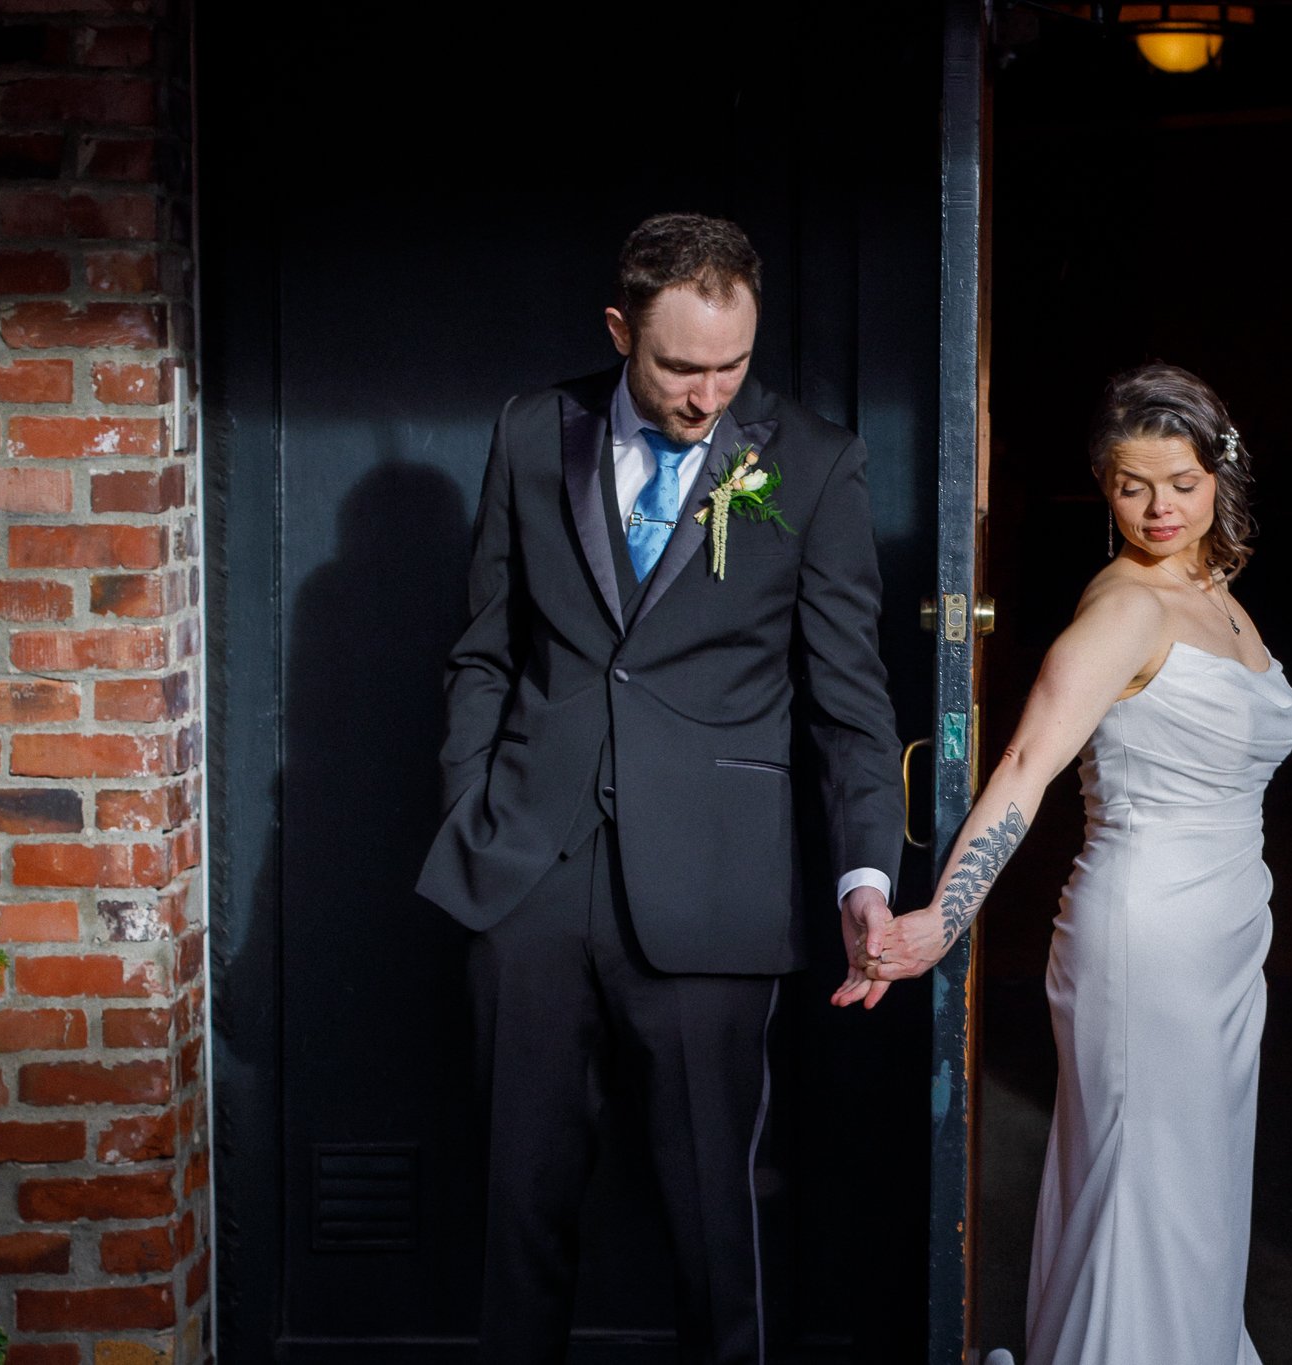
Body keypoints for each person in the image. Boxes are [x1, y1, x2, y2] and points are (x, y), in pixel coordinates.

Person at [416, 213, 905, 1365]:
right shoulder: (534, 431)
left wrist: (865, 870)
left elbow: (848, 694)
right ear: (618, 329)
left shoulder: (813, 459)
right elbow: (484, 648)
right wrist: (469, 804)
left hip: (714, 888)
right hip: (527, 872)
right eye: (680, 366)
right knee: (519, 1213)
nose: (706, 395)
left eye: (730, 366)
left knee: (712, 1227)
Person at [850, 362, 1292, 1364]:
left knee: (1194, 1201)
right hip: (1147, 943)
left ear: (1219, 474)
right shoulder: (1125, 611)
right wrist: (942, 917)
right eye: (1131, 486)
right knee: (1142, 1197)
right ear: (1102, 485)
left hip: (1223, 943)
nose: (1157, 509)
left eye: (1179, 483)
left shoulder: (1211, 590)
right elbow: (1021, 768)